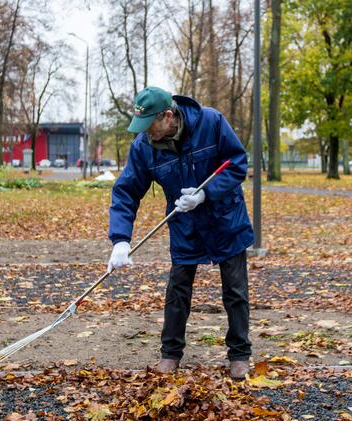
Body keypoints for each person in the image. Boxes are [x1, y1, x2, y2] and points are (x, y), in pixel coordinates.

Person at [107, 86, 254, 380]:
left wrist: (205, 194)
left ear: (168, 116)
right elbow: (126, 192)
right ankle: (170, 353)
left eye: (150, 125)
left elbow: (237, 164)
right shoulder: (144, 146)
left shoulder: (211, 123)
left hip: (226, 218)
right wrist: (120, 239)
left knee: (235, 291)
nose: (146, 132)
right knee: (177, 291)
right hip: (185, 226)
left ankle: (239, 354)